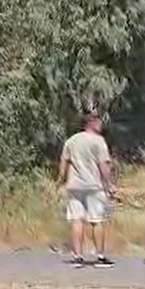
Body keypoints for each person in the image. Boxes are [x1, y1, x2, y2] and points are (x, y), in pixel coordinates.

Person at [58, 112, 115, 269]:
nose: (101, 125)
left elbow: (64, 162)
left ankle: (77, 256)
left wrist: (61, 181)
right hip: (93, 186)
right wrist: (109, 184)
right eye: (98, 122)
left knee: (77, 220)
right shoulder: (98, 141)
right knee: (96, 220)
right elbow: (103, 164)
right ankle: (100, 256)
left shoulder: (71, 140)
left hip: (74, 185)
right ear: (90, 123)